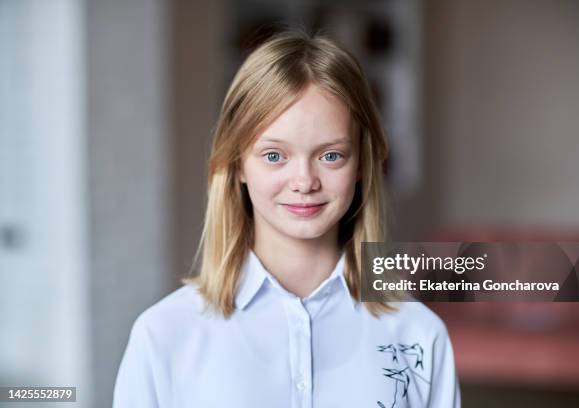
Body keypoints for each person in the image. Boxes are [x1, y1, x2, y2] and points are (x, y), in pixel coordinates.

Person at [113, 30, 460, 408]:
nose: (304, 182)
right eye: (275, 156)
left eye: (330, 156)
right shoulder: (164, 335)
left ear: (361, 162)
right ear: (237, 165)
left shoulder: (420, 335)